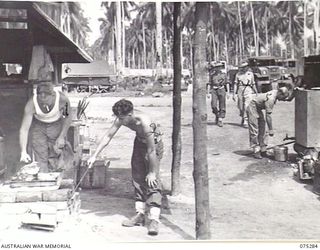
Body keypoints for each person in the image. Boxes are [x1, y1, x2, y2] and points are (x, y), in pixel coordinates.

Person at [87, 99, 163, 236]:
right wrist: (94, 155)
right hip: (139, 143)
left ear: (130, 114)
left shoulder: (145, 123)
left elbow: (151, 150)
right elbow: (108, 136)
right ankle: (140, 214)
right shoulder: (121, 118)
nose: (120, 120)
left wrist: (152, 172)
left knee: (152, 181)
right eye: (118, 117)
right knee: (137, 177)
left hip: (153, 146)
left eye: (122, 118)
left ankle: (154, 219)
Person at [19, 82, 72, 172]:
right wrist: (23, 151)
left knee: (56, 152)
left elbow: (67, 117)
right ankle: (43, 178)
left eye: (46, 101)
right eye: (41, 101)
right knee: (40, 155)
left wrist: (62, 136)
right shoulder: (31, 104)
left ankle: (57, 177)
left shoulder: (63, 100)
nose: (44, 104)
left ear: (53, 95)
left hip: (56, 124)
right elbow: (24, 129)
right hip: (39, 126)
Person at [246, 87, 289, 159]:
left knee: (263, 129)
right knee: (254, 130)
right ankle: (256, 151)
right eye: (283, 97)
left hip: (258, 108)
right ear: (280, 93)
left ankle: (263, 150)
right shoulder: (271, 99)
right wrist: (271, 129)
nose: (283, 100)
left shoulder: (276, 92)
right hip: (252, 107)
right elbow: (268, 116)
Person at [233, 62, 258, 128]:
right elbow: (235, 84)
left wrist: (256, 92)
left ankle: (245, 120)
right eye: (243, 67)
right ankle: (243, 117)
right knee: (240, 106)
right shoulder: (238, 74)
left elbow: (253, 84)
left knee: (246, 105)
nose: (245, 68)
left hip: (248, 89)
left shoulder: (250, 74)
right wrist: (234, 94)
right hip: (240, 89)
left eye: (246, 67)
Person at [207, 62, 229, 127]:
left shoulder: (224, 75)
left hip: (222, 89)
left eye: (219, 67)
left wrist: (227, 93)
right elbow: (209, 84)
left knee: (222, 105)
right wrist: (208, 92)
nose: (217, 68)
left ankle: (220, 119)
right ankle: (217, 114)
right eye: (216, 67)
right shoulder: (212, 75)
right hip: (214, 90)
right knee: (213, 105)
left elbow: (227, 83)